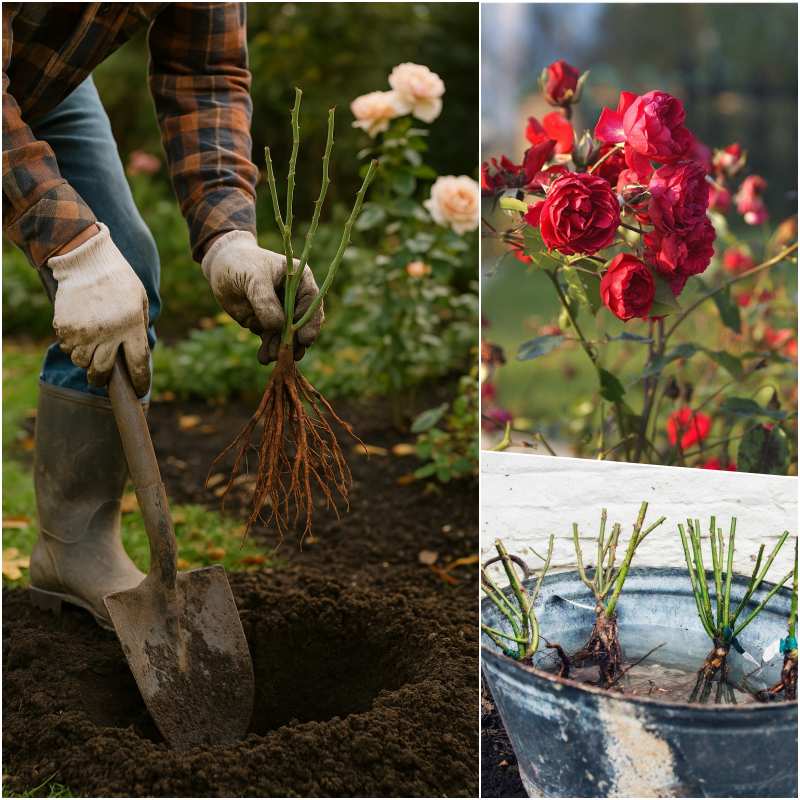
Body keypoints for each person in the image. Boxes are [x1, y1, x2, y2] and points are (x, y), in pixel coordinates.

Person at [2, 3, 323, 626]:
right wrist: (72, 250)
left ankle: (74, 548)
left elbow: (205, 71)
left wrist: (230, 237)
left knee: (126, 266)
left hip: (36, 76)